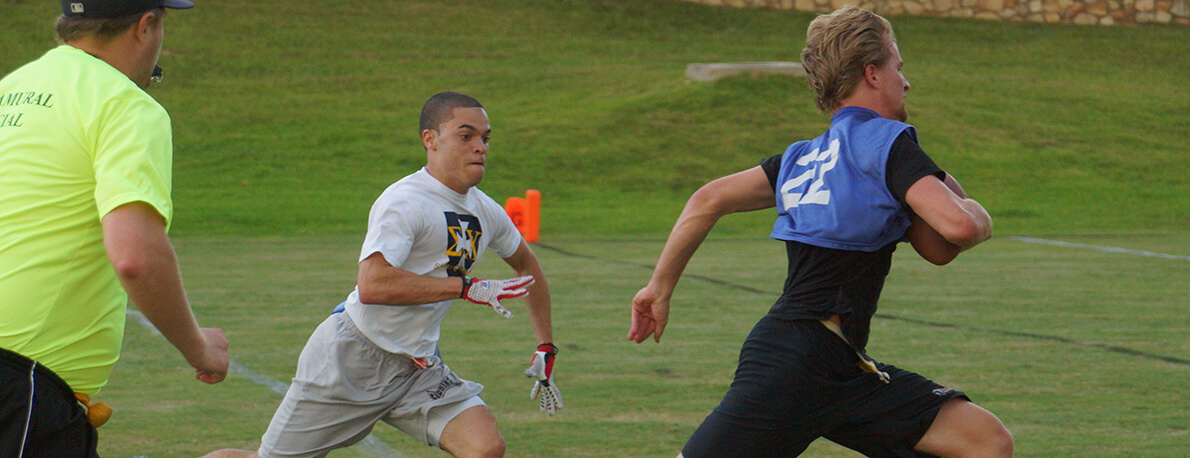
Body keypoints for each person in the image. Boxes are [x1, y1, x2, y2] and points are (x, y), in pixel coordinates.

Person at [628, 6, 1013, 457]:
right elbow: (959, 226)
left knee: (985, 441)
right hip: (795, 361)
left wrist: (659, 287)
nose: (905, 82)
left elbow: (707, 199)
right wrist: (982, 216)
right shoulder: (886, 142)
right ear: (872, 73)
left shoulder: (804, 157)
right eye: (898, 67)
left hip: (838, 364)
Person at [206, 92, 561, 458]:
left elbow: (527, 268)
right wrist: (465, 288)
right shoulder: (405, 200)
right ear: (430, 140)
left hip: (417, 369)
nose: (480, 148)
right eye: (466, 136)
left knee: (485, 448)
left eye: (485, 138)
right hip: (352, 360)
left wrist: (545, 346)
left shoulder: (486, 210)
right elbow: (373, 284)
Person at [0, 0, 230, 455]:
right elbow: (135, 257)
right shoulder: (124, 103)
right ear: (146, 26)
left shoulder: (11, 87)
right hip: (22, 379)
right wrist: (199, 348)